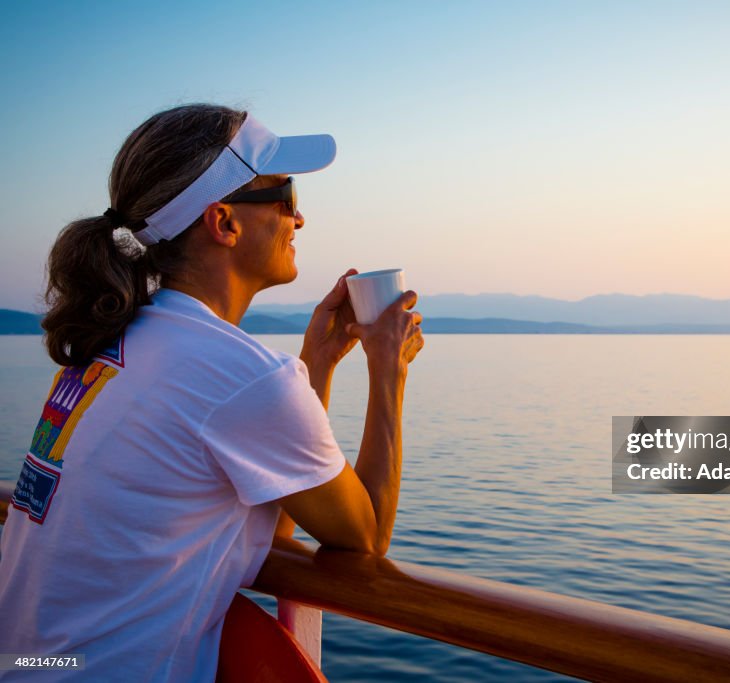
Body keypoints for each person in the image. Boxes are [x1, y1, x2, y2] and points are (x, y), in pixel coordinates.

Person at [0, 104, 423, 681]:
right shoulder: (239, 376)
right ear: (223, 222)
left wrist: (317, 364)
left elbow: (274, 516)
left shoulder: (111, 345)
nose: (299, 220)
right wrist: (388, 368)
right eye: (286, 196)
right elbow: (365, 536)